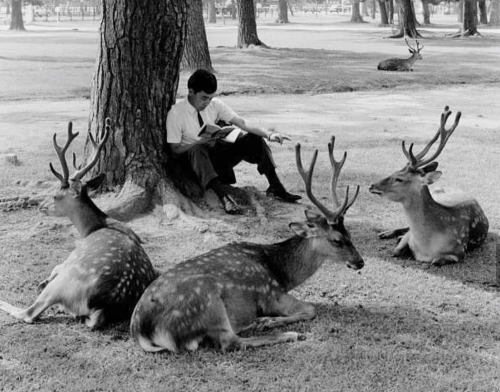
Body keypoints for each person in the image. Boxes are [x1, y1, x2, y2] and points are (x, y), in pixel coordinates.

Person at [166, 69, 301, 215]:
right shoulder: (176, 113)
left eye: (210, 98)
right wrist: (200, 142)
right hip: (197, 166)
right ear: (191, 92)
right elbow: (174, 150)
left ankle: (276, 186)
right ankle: (224, 197)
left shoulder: (214, 105)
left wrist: (269, 134)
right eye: (204, 98)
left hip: (219, 158)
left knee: (253, 138)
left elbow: (241, 122)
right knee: (197, 149)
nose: (207, 102)